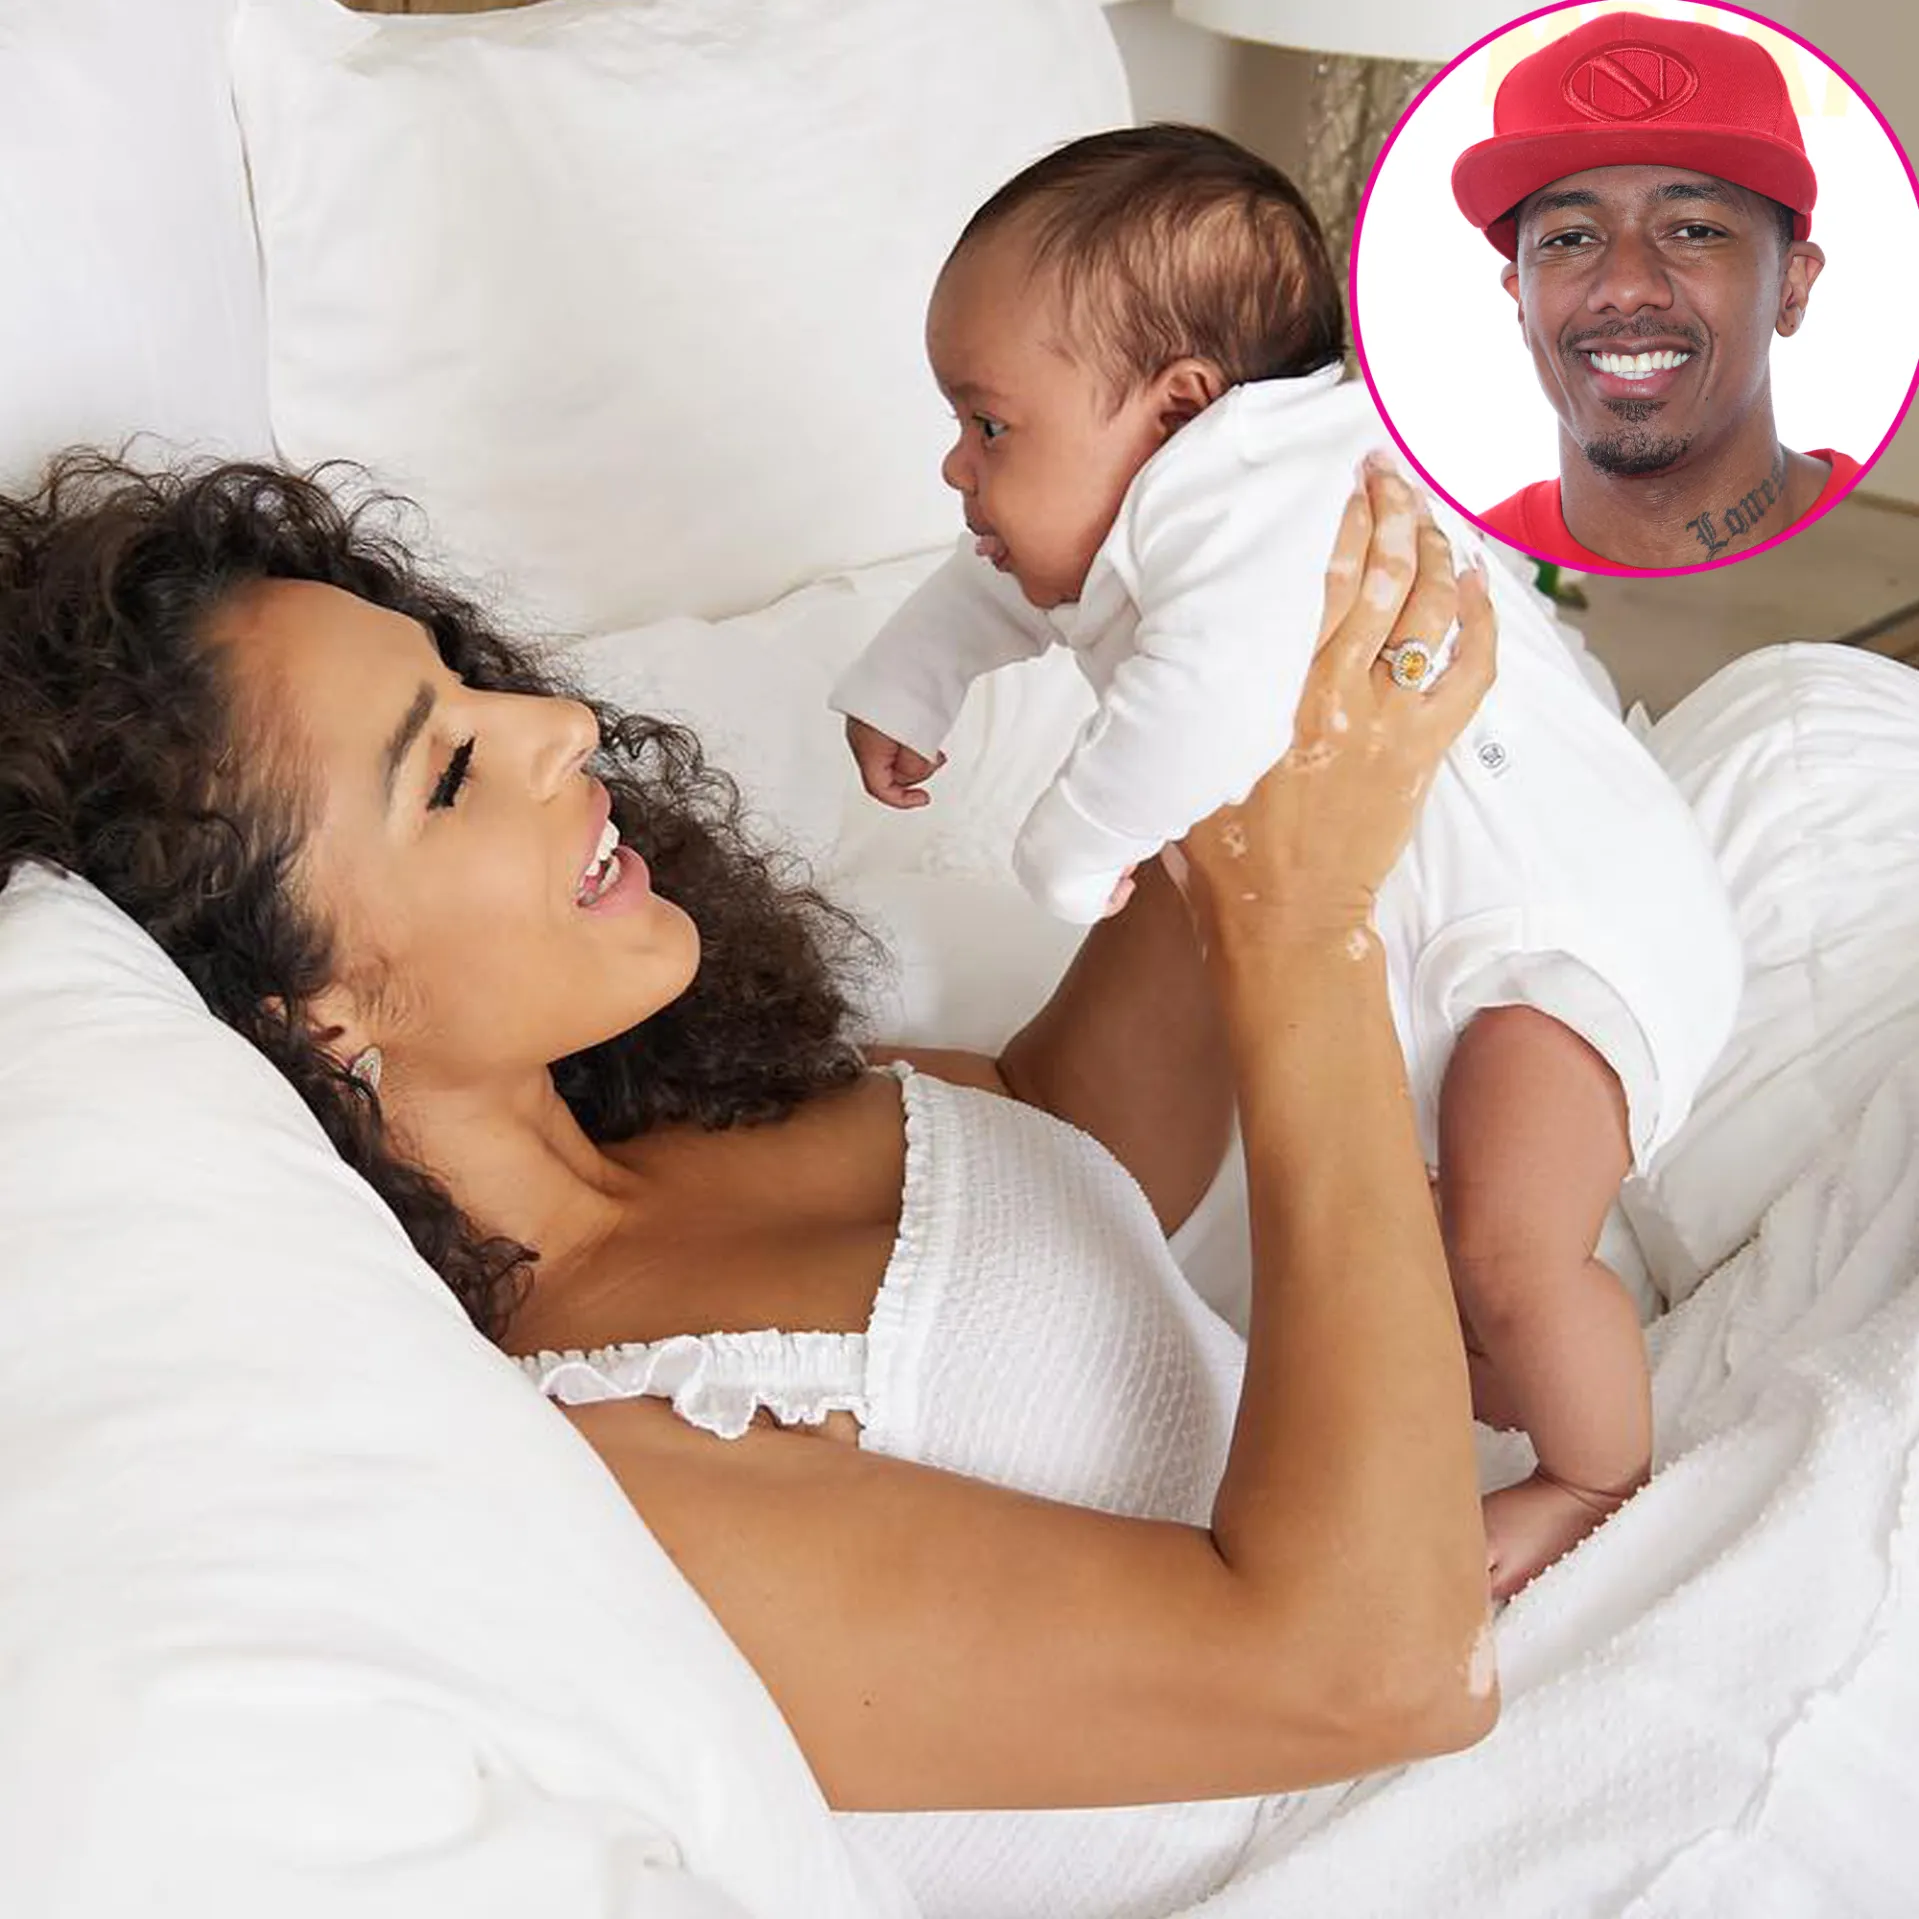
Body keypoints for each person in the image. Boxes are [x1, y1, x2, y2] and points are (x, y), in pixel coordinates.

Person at [1, 448, 1492, 1919]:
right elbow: (1373, 1670)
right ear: (306, 1020)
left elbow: (1092, 1137)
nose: (562, 724)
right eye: (447, 772)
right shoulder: (621, 1464)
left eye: (465, 679)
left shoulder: (699, 1115)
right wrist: (1305, 932)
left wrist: (1253, 702)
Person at [827, 124, 1742, 1603]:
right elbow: (999, 573)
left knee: (1506, 1243)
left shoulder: (1272, 500)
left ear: (1181, 406)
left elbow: (1205, 701)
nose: (956, 464)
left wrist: (1071, 849)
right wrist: (907, 683)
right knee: (1438, 1227)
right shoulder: (1156, 492)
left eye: (988, 426)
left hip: (1566, 934)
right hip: (1467, 927)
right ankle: (1506, 1355)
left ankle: (1593, 1474)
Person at [1451, 10, 1860, 570]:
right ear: (1522, 302)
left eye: (1695, 231)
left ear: (1791, 290)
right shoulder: (1451, 578)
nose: (1627, 288)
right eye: (1571, 238)